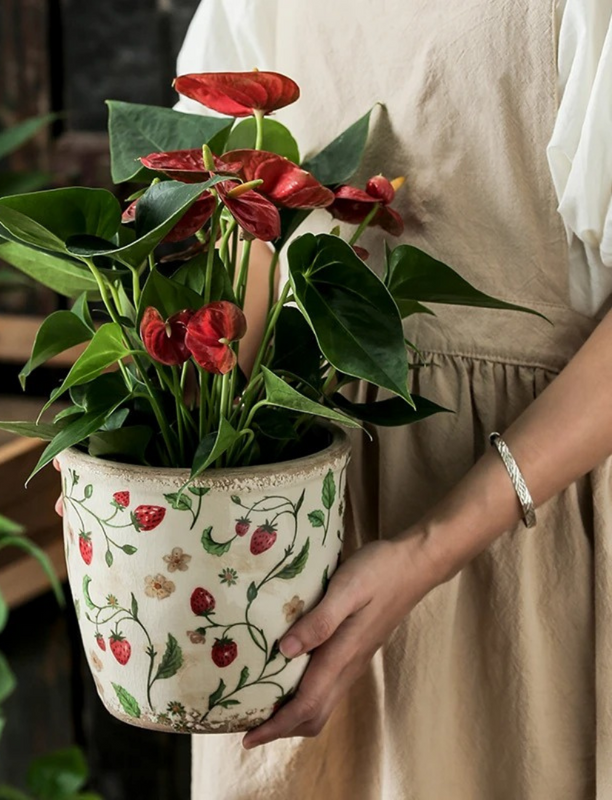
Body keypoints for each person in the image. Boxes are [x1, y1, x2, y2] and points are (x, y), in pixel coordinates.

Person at [163, 1, 612, 799]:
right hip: (287, 534)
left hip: (521, 521)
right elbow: (236, 231)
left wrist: (427, 550)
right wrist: (153, 465)